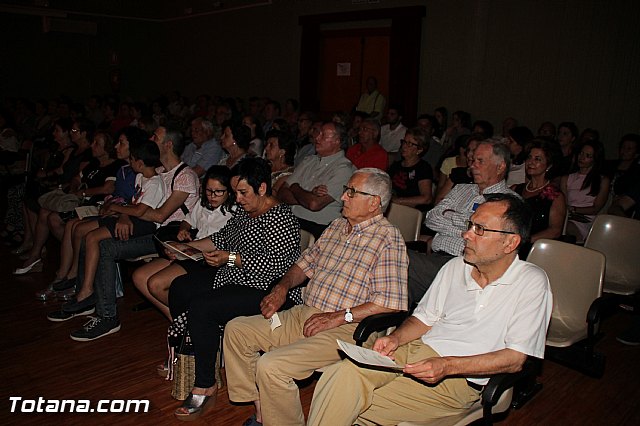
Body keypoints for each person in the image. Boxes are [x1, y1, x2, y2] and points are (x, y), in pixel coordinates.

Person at [308, 193, 552, 426]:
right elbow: (424, 319)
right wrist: (395, 338)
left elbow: (515, 359)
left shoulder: (531, 283)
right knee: (339, 375)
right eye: (470, 225)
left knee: (354, 402)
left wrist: (447, 365)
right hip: (415, 351)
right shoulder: (456, 267)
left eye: (479, 229)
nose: (465, 234)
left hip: (457, 378)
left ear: (510, 242)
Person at [224, 168, 408, 426]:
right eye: (346, 190)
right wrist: (282, 287)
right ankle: (264, 411)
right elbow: (303, 265)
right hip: (305, 314)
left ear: (374, 202)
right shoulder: (336, 226)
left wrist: (337, 317)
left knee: (272, 365)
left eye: (352, 192)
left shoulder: (388, 239)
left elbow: (389, 301)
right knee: (237, 330)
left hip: (346, 329)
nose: (343, 197)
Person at [170, 157, 303, 420]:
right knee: (180, 289)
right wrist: (190, 248)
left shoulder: (281, 218)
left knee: (203, 307)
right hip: (238, 277)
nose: (238, 199)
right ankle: (194, 348)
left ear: (262, 188)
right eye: (236, 193)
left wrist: (229, 258)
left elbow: (274, 267)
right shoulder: (245, 212)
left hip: (269, 289)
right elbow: (222, 238)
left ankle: (206, 383)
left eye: (243, 192)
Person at [67, 125, 199, 341]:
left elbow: (159, 216)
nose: (150, 139)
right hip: (153, 231)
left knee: (105, 246)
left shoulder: (185, 177)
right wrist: (125, 215)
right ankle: (104, 312)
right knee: (97, 239)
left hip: (169, 236)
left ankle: (106, 315)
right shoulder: (155, 173)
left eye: (155, 136)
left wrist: (125, 211)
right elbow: (136, 203)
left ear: (168, 145)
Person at [46, 140, 165, 321]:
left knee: (93, 238)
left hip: (145, 225)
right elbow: (133, 205)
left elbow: (141, 211)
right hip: (134, 218)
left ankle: (86, 290)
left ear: (140, 162)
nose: (130, 163)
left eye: (132, 160)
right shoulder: (141, 177)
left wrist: (117, 209)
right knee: (86, 233)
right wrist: (120, 211)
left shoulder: (155, 183)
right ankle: (84, 287)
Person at [408, 138, 516, 304]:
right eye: (473, 160)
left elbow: (483, 241)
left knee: (398, 257)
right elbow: (430, 218)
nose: (472, 166)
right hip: (435, 260)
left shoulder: (509, 203)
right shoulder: (461, 189)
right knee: (399, 283)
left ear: (500, 167)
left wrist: (450, 215)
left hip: (467, 269)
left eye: (480, 161)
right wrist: (466, 226)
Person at [132, 166, 234, 321]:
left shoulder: (234, 211)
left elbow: (220, 242)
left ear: (229, 191)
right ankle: (176, 318)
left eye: (218, 192)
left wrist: (187, 247)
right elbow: (187, 221)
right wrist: (183, 230)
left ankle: (191, 318)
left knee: (156, 284)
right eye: (209, 191)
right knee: (140, 276)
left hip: (209, 257)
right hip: (191, 250)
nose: (212, 196)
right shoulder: (203, 203)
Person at [277, 121, 355, 239]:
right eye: (318, 133)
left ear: (337, 141)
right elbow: (281, 193)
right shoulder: (309, 160)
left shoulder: (344, 169)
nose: (317, 137)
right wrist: (306, 198)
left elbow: (314, 204)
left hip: (317, 228)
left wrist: (295, 188)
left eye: (323, 135)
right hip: (291, 220)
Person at [514, 139, 566, 256]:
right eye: (529, 158)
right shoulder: (515, 189)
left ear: (549, 165)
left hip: (536, 248)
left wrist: (525, 241)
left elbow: (555, 231)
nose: (531, 162)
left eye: (537, 159)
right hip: (511, 243)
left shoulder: (555, 196)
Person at [560, 139, 610, 243]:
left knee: (568, 228)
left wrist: (573, 209)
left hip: (586, 219)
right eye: (581, 153)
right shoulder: (567, 178)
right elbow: (563, 203)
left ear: (595, 159)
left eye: (587, 156)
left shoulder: (602, 180)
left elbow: (595, 208)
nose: (581, 157)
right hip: (567, 217)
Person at [388, 127, 433, 209]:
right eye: (404, 142)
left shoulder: (423, 168)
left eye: (409, 144)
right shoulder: (396, 165)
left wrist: (397, 201)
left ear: (419, 150)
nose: (404, 146)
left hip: (411, 211)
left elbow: (426, 198)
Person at [263, 129, 295, 197]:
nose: (266, 148)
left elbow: (272, 196)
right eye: (267, 144)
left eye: (271, 145)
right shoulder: (265, 166)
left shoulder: (288, 174)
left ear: (282, 152)